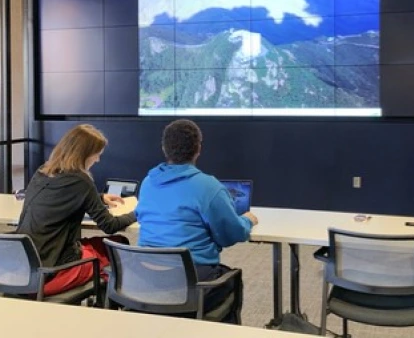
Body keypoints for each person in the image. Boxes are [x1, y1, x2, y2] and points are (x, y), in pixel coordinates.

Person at [136, 119, 258, 324]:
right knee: (231, 281)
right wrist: (247, 221)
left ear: (164, 148)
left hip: (146, 279)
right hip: (191, 283)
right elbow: (231, 234)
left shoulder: (148, 182)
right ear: (198, 149)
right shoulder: (209, 187)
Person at [16, 124, 137, 296]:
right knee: (119, 245)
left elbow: (59, 197)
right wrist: (138, 213)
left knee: (99, 245)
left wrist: (99, 198)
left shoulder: (42, 172)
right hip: (52, 270)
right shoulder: (81, 181)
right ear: (86, 154)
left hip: (23, 266)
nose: (98, 160)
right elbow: (109, 225)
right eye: (97, 155)